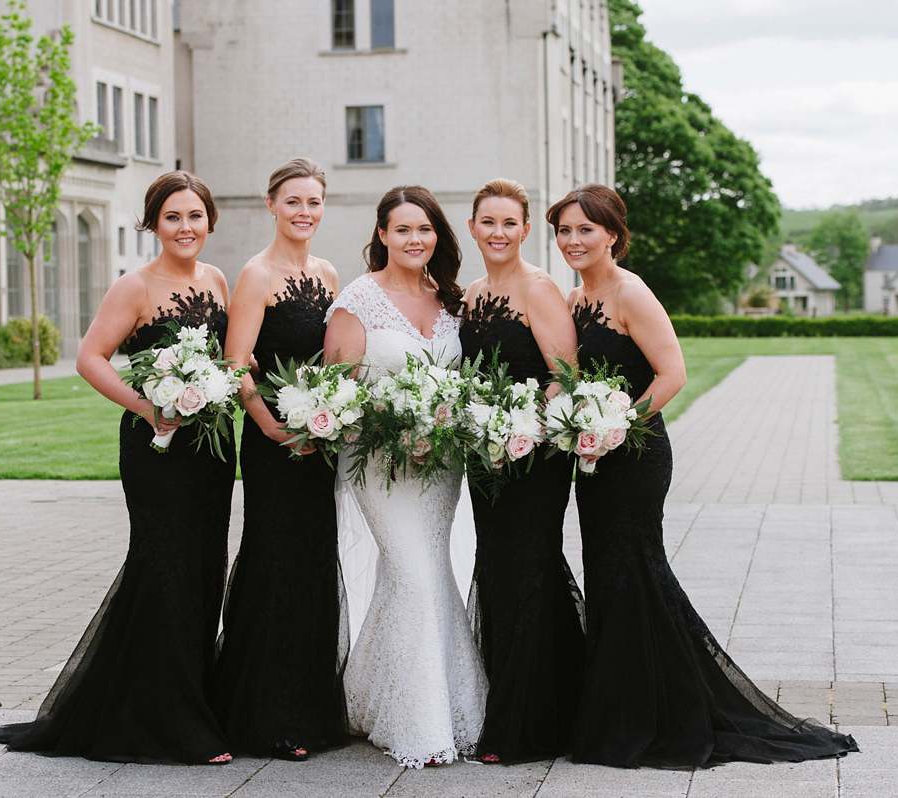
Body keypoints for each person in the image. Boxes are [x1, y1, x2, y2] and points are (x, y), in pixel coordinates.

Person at [548, 183, 859, 767]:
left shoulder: (630, 292)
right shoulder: (572, 301)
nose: (572, 240)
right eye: (564, 230)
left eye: (584, 229)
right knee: (612, 578)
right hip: (591, 459)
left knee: (635, 571)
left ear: (612, 234)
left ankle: (659, 713)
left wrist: (617, 423)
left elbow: (673, 373)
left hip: (635, 456)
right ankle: (622, 709)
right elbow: (568, 373)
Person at [0, 171, 236, 764]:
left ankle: (184, 704)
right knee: (166, 570)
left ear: (209, 222)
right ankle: (168, 726)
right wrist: (149, 407)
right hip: (156, 447)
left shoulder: (219, 280)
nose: (185, 227)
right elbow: (89, 357)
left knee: (204, 569)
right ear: (152, 222)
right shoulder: (135, 286)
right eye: (172, 217)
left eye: (195, 216)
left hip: (211, 451)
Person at [324, 185, 487, 768]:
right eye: (402, 230)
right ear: (383, 235)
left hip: (441, 464)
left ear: (437, 236)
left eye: (424, 229)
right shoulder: (358, 300)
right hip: (379, 463)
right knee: (414, 575)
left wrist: (442, 422)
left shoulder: (451, 301)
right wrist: (393, 425)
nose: (414, 239)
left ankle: (374, 698)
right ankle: (421, 726)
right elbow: (335, 394)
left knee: (427, 574)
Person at [213, 157, 349, 761]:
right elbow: (237, 362)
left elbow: (337, 358)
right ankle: (268, 717)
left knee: (315, 561)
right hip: (272, 444)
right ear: (271, 205)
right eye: (293, 201)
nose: (304, 212)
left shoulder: (327, 272)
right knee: (275, 560)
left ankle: (312, 712)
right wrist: (269, 426)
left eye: (314, 202)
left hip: (319, 443)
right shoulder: (255, 274)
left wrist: (334, 412)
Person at [458, 178, 586, 764]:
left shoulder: (540, 289)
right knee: (499, 569)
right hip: (485, 458)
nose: (499, 232)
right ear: (473, 228)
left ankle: (527, 726)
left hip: (535, 457)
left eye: (510, 223)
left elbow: (564, 375)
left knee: (529, 566)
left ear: (526, 230)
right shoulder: (472, 293)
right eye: (489, 222)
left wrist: (521, 428)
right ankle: (537, 703)